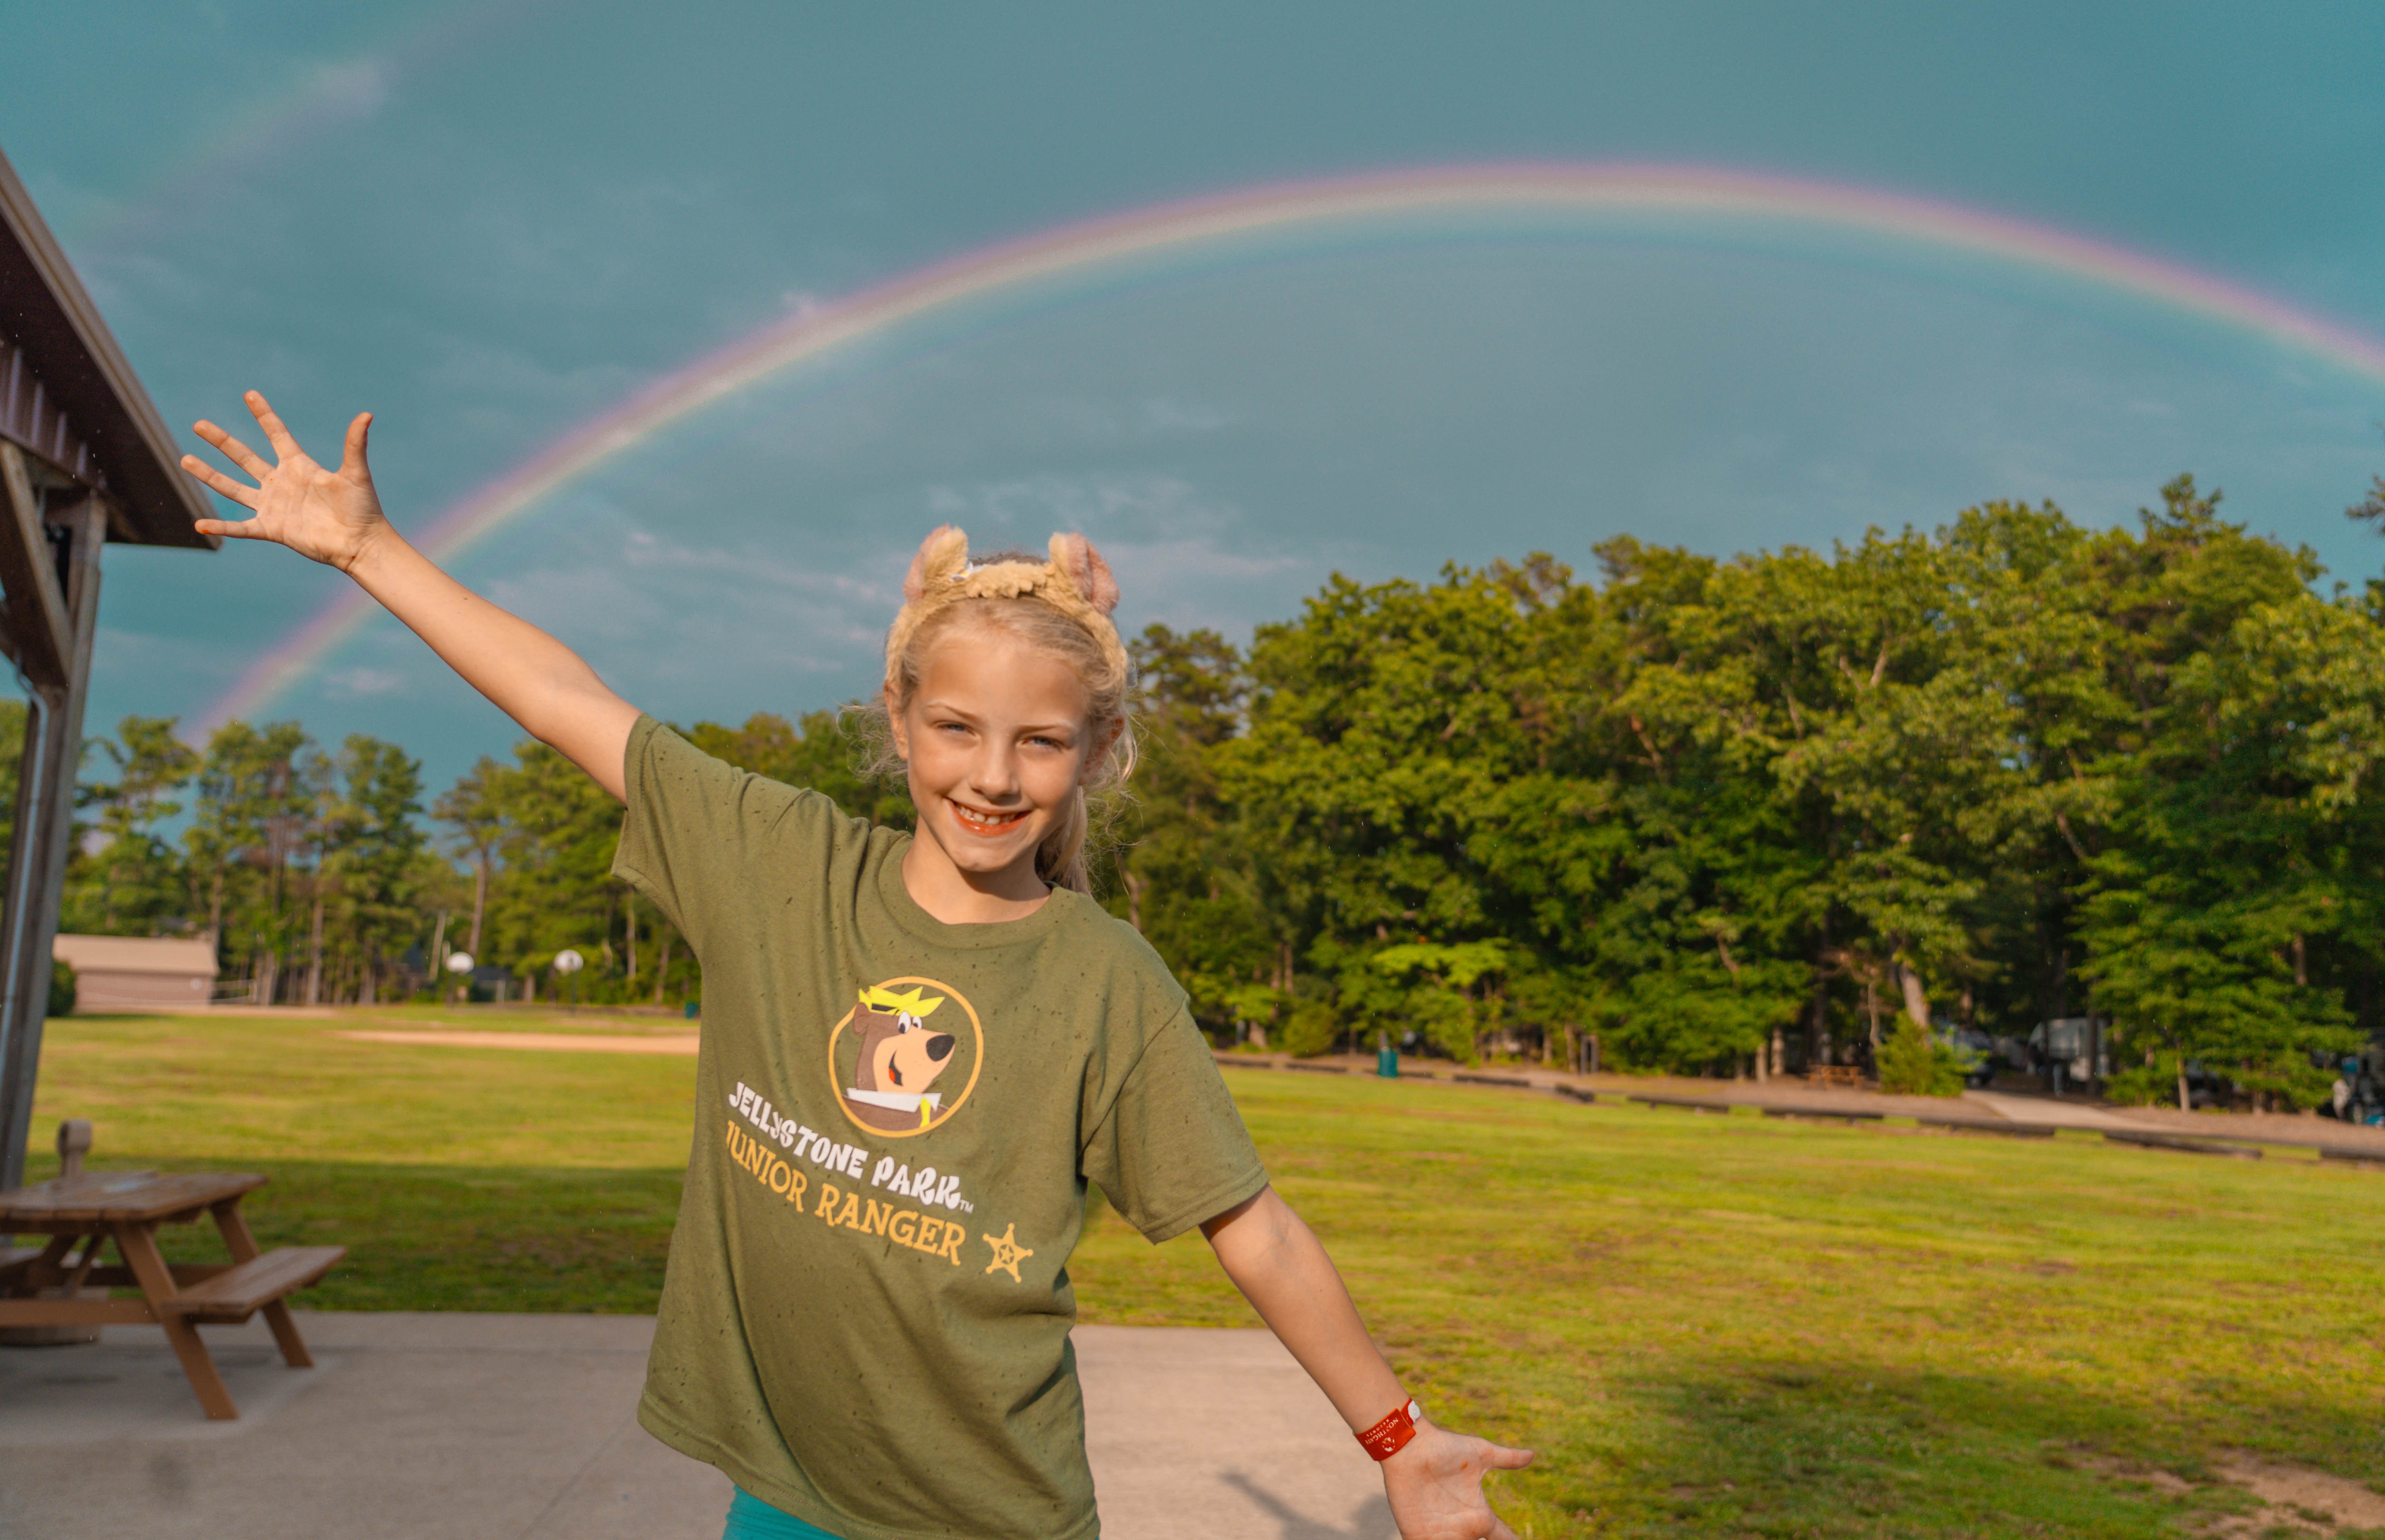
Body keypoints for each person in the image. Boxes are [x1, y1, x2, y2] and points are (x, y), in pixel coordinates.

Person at [181, 393, 1534, 1540]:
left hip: (990, 1510)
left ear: (1097, 753)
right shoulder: (779, 863)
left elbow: (1259, 1228)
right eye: (954, 725)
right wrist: (368, 550)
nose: (992, 775)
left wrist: (1398, 1436)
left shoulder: (1104, 981)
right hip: (784, 1492)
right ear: (895, 718)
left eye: (1041, 743)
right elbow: (563, 698)